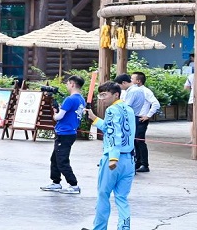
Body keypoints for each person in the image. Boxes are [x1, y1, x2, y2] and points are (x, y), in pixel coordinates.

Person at [84, 81, 136, 230]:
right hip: (129, 160)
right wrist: (94, 118)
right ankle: (124, 228)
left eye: (104, 95)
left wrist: (113, 158)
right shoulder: (129, 109)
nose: (102, 98)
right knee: (122, 198)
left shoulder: (112, 110)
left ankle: (99, 228)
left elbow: (114, 134)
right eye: (100, 95)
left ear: (116, 95)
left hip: (113, 160)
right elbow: (112, 128)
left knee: (103, 194)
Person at [40, 75, 85, 194]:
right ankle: (56, 182)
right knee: (55, 158)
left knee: (61, 160)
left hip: (64, 132)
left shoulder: (70, 99)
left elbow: (59, 116)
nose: (67, 85)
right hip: (70, 132)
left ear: (72, 84)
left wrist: (55, 115)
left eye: (68, 83)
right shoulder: (81, 99)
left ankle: (73, 184)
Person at [131, 71, 159, 173]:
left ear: (138, 81)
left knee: (140, 141)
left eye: (132, 79)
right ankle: (137, 162)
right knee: (135, 141)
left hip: (141, 118)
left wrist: (148, 115)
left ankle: (145, 164)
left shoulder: (146, 91)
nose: (131, 80)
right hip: (134, 118)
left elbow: (156, 103)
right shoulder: (133, 91)